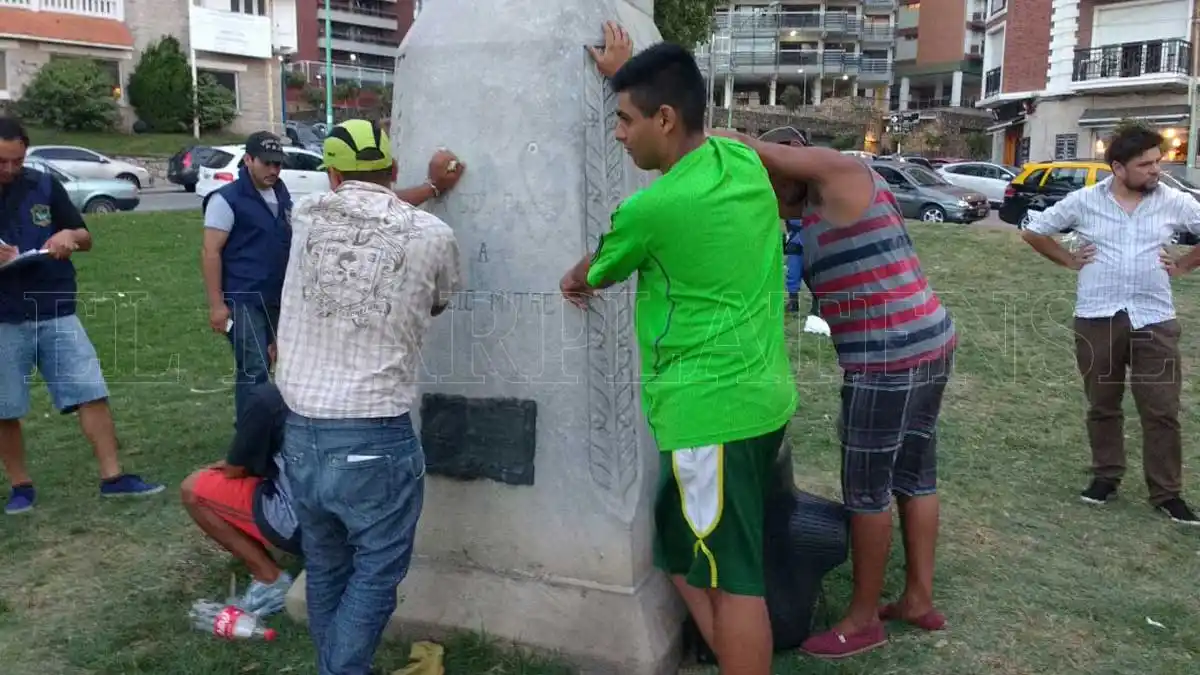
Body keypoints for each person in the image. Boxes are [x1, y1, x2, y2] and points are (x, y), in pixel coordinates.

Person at [559, 26, 797, 675]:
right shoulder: (740, 163)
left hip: (709, 417)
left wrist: (569, 279)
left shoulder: (653, 208)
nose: (618, 132)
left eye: (626, 119)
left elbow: (592, 271)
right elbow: (709, 132)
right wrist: (626, 71)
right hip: (759, 398)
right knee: (683, 546)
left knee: (733, 577)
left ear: (665, 118)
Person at [714, 125, 956, 659]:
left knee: (867, 491)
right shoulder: (806, 217)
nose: (773, 193)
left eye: (776, 178)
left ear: (793, 163)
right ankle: (917, 599)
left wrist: (676, 121)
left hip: (887, 357)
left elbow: (744, 144)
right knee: (915, 475)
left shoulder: (844, 173)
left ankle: (862, 619)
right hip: (927, 342)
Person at [275, 118, 463, 675]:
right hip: (373, 433)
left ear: (331, 174)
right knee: (377, 570)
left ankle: (336, 665)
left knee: (328, 564)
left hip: (303, 431)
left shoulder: (306, 215)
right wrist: (434, 189)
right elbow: (439, 302)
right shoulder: (432, 235)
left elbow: (359, 205)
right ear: (394, 168)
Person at [1022, 123, 1200, 526]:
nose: (1157, 170)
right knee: (1102, 403)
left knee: (1162, 409)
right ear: (1118, 168)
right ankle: (1106, 477)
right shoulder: (1084, 201)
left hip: (1155, 318)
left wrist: (1186, 265)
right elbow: (1034, 231)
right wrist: (1068, 260)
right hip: (1097, 316)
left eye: (1158, 161)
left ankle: (1167, 494)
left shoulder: (1172, 200)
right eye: (1146, 164)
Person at [0, 116, 163, 515]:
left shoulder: (42, 184)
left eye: (17, 161)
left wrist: (68, 237)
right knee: (4, 407)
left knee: (90, 391)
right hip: (3, 316)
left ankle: (113, 478)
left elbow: (85, 236)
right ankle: (21, 487)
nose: (9, 170)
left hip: (55, 307)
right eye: (1, 162)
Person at [180, 376, 300, 617]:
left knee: (193, 489)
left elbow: (236, 469)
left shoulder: (270, 397)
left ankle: (270, 579)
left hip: (313, 527)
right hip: (374, 520)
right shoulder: (368, 386)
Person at [202, 131, 294, 429]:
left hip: (276, 295)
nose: (274, 170)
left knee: (277, 363)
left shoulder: (281, 192)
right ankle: (249, 437)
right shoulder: (226, 199)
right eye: (267, 163)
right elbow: (210, 252)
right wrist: (217, 305)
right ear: (248, 160)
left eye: (278, 164)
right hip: (243, 297)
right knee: (253, 367)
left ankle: (267, 429)